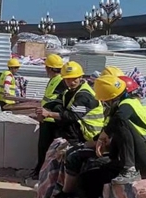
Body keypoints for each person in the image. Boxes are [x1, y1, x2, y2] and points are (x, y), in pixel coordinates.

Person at [74, 75, 146, 197]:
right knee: (87, 178)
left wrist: (104, 134)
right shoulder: (120, 108)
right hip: (137, 160)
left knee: (120, 122)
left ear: (110, 98)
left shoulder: (129, 104)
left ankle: (128, 169)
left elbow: (120, 120)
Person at [38, 61, 105, 196]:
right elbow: (59, 103)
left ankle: (65, 192)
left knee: (71, 156)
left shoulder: (85, 95)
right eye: (68, 79)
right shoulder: (72, 92)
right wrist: (45, 110)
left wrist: (48, 114)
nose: (71, 81)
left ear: (81, 77)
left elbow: (72, 116)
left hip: (90, 136)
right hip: (81, 134)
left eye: (74, 78)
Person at [33, 54, 67, 178]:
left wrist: (45, 113)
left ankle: (41, 174)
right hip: (46, 118)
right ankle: (39, 171)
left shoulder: (61, 81)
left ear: (50, 68)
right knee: (43, 147)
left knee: (46, 148)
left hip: (52, 120)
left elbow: (55, 102)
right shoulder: (54, 80)